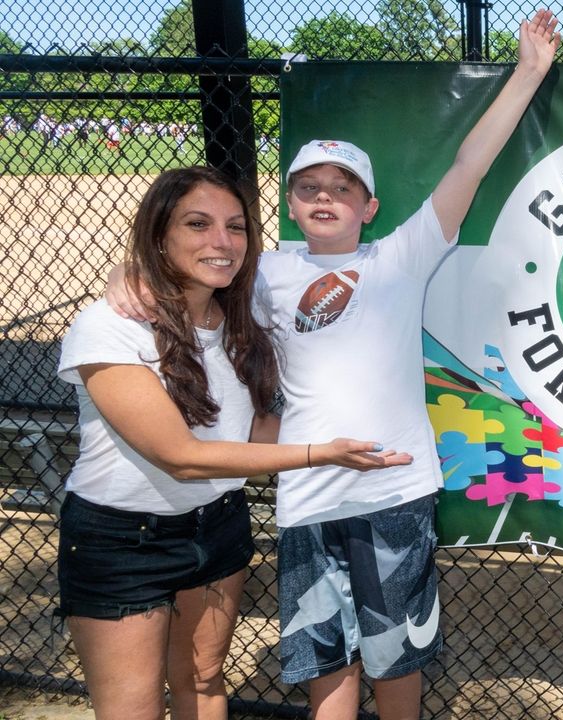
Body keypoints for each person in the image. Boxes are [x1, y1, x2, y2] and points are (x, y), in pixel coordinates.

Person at [108, 11, 561, 719]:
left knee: (397, 661)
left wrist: (529, 70)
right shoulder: (261, 272)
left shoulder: (402, 257)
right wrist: (128, 277)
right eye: (309, 186)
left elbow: (470, 162)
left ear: (369, 206)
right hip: (308, 495)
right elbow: (183, 267)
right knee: (327, 663)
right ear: (288, 202)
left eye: (342, 187)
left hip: (394, 490)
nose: (325, 197)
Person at [57, 166, 412, 720]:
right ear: (159, 234)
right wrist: (324, 454)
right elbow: (181, 457)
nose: (222, 242)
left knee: (202, 678)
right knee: (133, 705)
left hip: (218, 524)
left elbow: (247, 434)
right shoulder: (111, 325)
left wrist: (370, 433)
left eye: (235, 227)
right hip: (122, 539)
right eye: (198, 224)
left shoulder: (239, 321)